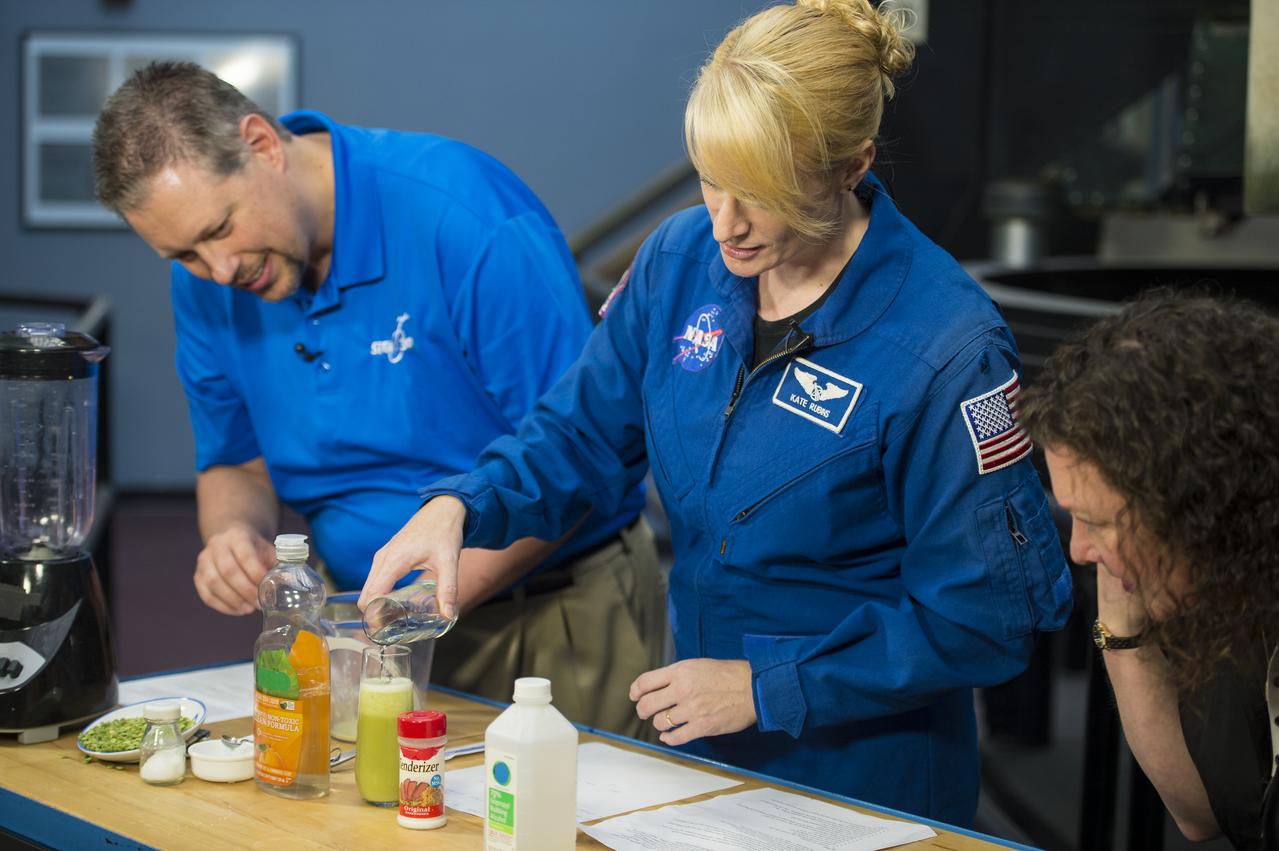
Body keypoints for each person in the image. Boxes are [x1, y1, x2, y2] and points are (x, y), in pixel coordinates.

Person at [360, 0, 1072, 825]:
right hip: (703, 745)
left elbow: (984, 618)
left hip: (866, 773)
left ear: (851, 166)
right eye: (711, 178)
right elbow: (580, 434)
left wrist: (768, 686)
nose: (726, 223)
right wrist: (463, 505)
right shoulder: (678, 260)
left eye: (762, 193)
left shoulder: (945, 347)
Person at [90, 61, 666, 737]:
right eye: (184, 254)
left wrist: (409, 609)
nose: (217, 271)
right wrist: (231, 536)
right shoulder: (210, 279)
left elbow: (584, 451)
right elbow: (235, 458)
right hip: (366, 622)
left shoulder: (461, 215)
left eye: (220, 229)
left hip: (549, 612)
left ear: (263, 146)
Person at [1020, 291, 1279, 850]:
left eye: (1097, 522)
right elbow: (1207, 812)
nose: (1078, 550)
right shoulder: (1233, 591)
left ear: (1197, 505)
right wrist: (1122, 625)